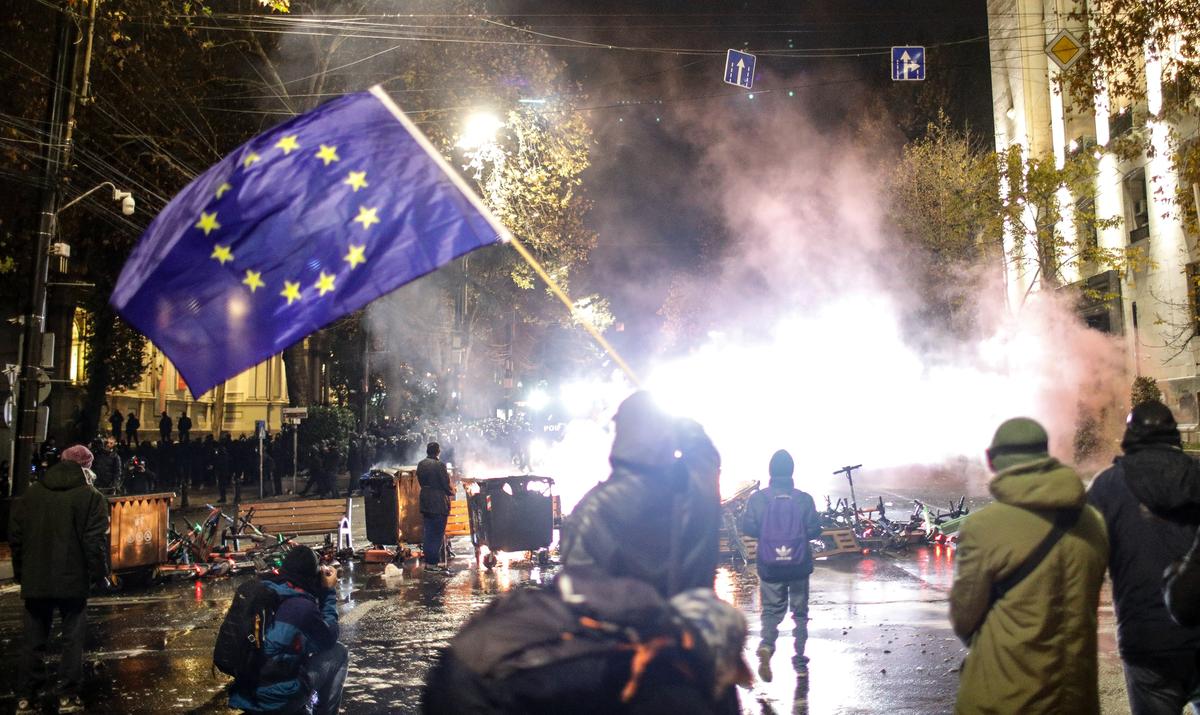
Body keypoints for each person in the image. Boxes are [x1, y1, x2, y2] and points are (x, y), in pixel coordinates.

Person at [950, 417, 1108, 714]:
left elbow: (964, 618)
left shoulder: (984, 527)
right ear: (1045, 455)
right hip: (1075, 699)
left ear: (991, 461)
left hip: (1005, 698)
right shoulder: (1092, 522)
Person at [1086, 400, 1200, 714]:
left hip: (1146, 643)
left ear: (1130, 435)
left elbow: (1083, 562)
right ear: (1174, 435)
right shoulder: (1197, 475)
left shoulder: (1107, 487)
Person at [561, 391, 722, 597]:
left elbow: (578, 590)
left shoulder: (594, 510)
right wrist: (675, 424)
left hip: (631, 627)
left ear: (621, 434)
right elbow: (704, 451)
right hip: (690, 625)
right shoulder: (698, 488)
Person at [8, 446, 109, 714]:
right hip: (72, 579)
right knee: (72, 638)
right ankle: (68, 695)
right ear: (86, 467)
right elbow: (94, 542)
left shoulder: (32, 493)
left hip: (36, 577)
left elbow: (16, 538)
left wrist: (22, 572)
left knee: (33, 639)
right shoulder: (91, 497)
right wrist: (100, 576)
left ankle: (26, 697)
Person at [229, 546, 348, 714]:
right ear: (311, 575)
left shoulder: (260, 592)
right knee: (338, 652)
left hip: (245, 695)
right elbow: (328, 638)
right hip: (277, 701)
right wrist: (327, 592)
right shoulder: (301, 607)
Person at [739, 449, 822, 681]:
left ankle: (766, 646)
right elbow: (815, 530)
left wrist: (770, 534)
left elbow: (748, 529)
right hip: (798, 564)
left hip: (769, 565)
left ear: (771, 472)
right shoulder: (804, 499)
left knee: (771, 611)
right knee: (800, 613)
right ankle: (799, 659)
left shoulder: (759, 499)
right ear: (792, 471)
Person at [417, 442, 454, 573]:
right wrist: (452, 491)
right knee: (437, 533)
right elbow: (446, 484)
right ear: (438, 451)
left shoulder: (421, 464)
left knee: (428, 533)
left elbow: (420, 480)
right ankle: (433, 563)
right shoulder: (439, 465)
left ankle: (429, 562)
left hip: (425, 500)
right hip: (438, 502)